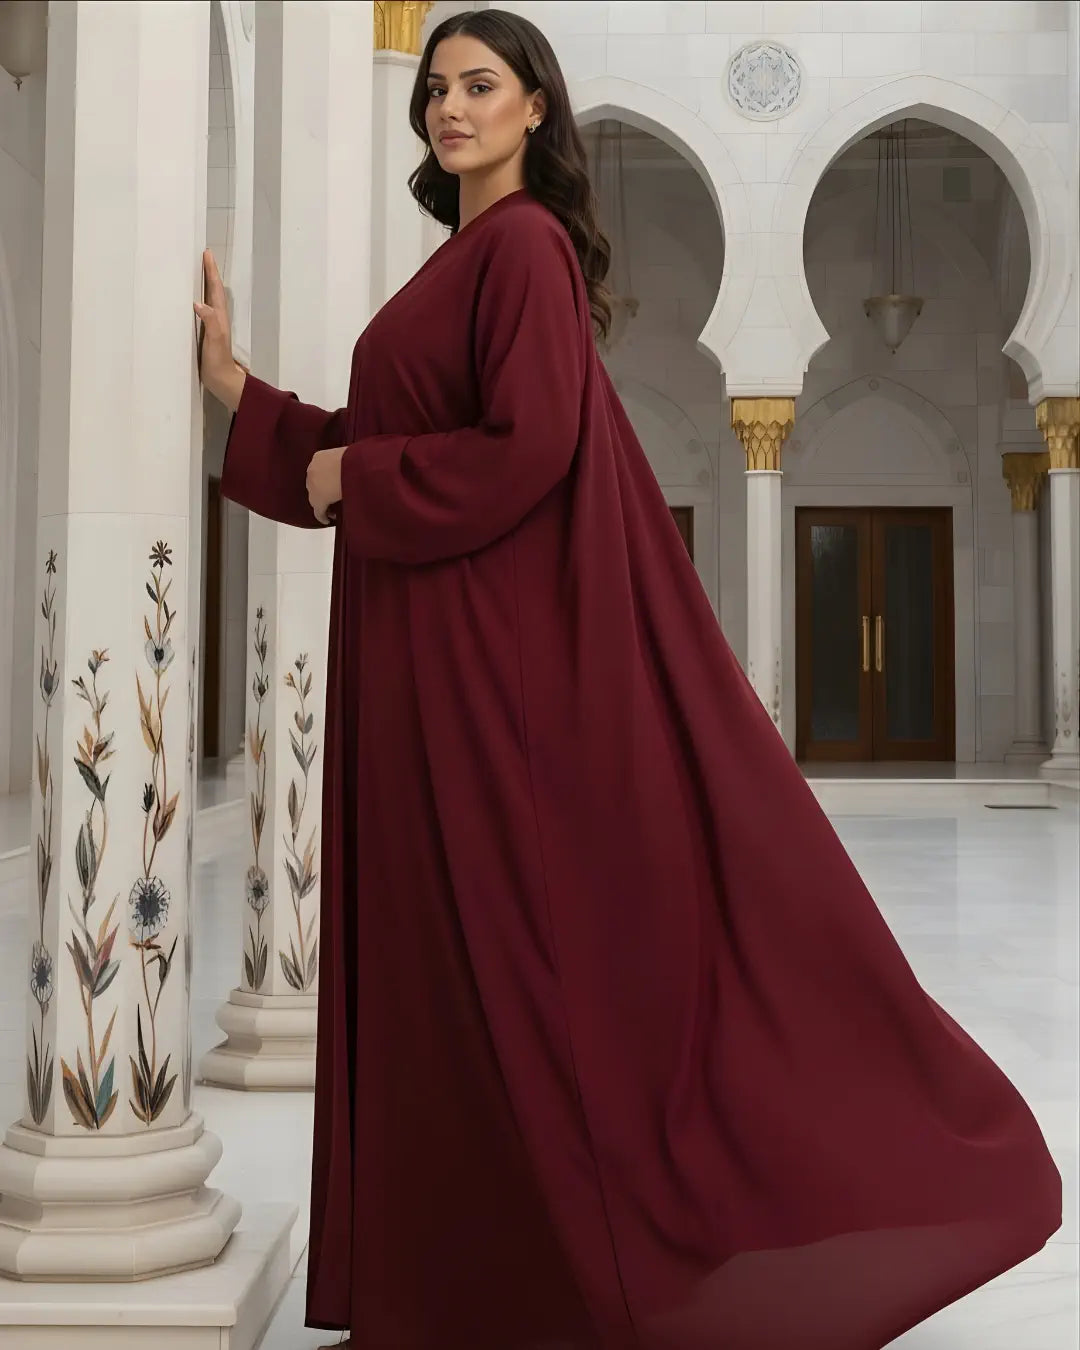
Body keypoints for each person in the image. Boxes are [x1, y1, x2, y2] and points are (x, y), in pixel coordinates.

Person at [194, 9, 1062, 1349]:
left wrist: (351, 475)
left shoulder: (524, 247)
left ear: (538, 104)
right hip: (434, 661)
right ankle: (471, 1276)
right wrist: (250, 403)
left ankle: (530, 1275)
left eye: (480, 85)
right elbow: (396, 436)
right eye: (435, 87)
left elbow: (524, 448)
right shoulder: (469, 258)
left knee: (492, 958)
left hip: (477, 673)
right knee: (449, 962)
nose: (449, 107)